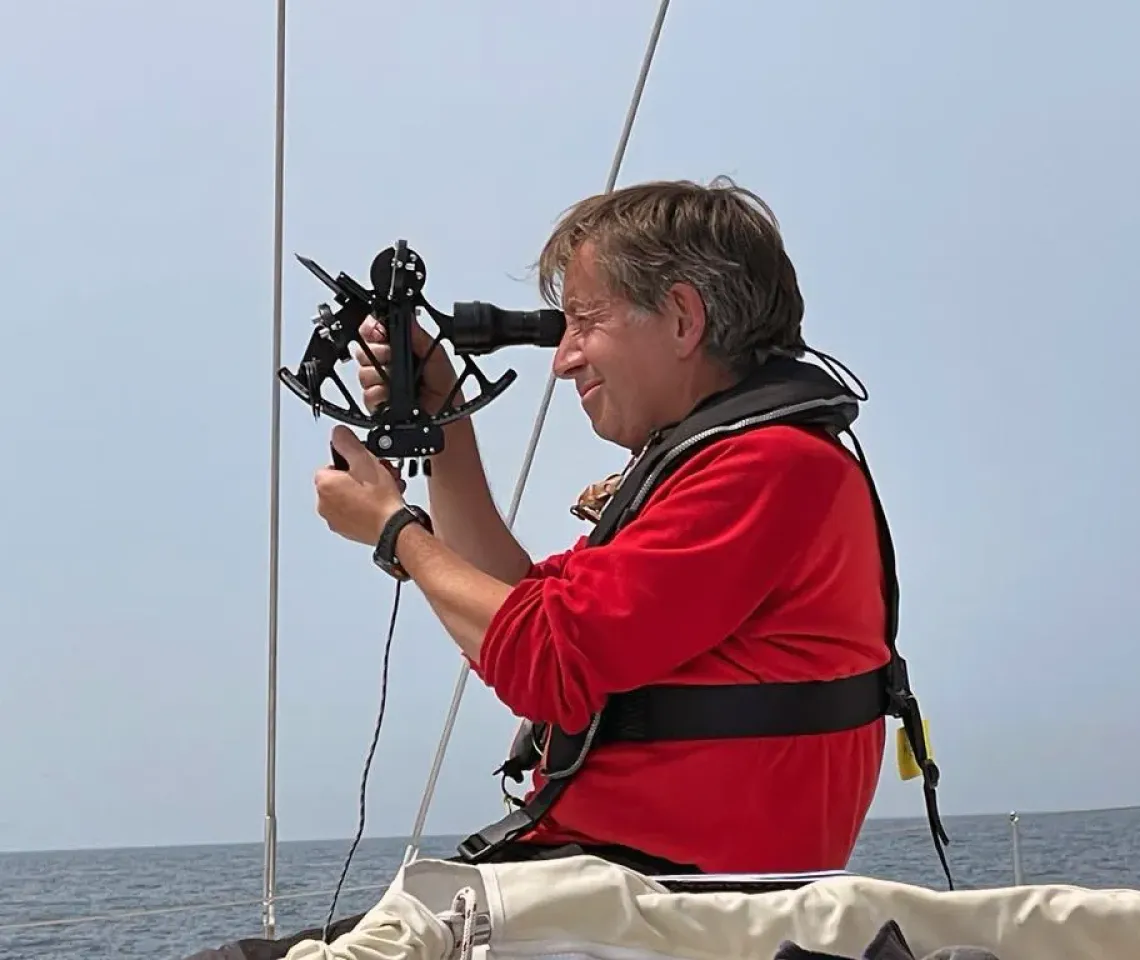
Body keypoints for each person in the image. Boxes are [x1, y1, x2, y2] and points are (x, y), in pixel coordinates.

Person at [186, 178, 945, 959]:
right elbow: (521, 610)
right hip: (618, 897)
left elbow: (544, 659)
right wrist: (446, 427)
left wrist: (394, 533)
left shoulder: (766, 468)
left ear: (683, 318)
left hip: (656, 910)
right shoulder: (728, 465)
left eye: (584, 322)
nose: (563, 359)